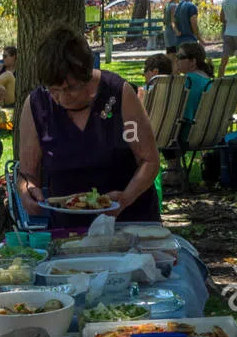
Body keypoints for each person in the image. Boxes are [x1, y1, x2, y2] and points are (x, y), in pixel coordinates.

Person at [17, 25, 160, 221]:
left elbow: (149, 160)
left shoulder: (117, 95)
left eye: (70, 89)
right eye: (54, 90)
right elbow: (28, 174)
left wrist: (125, 198)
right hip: (69, 229)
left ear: (87, 75)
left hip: (128, 221)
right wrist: (27, 192)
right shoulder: (36, 105)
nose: (61, 98)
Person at [175, 41, 215, 128]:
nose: (176, 60)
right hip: (204, 132)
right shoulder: (206, 79)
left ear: (193, 61)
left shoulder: (188, 81)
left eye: (180, 57)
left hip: (185, 133)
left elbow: (177, 113)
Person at [163, 0, 182, 67]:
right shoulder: (174, 6)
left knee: (170, 56)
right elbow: (172, 22)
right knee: (174, 58)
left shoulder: (167, 5)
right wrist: (177, 32)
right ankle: (175, 77)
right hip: (172, 34)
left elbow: (164, 21)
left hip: (167, 32)